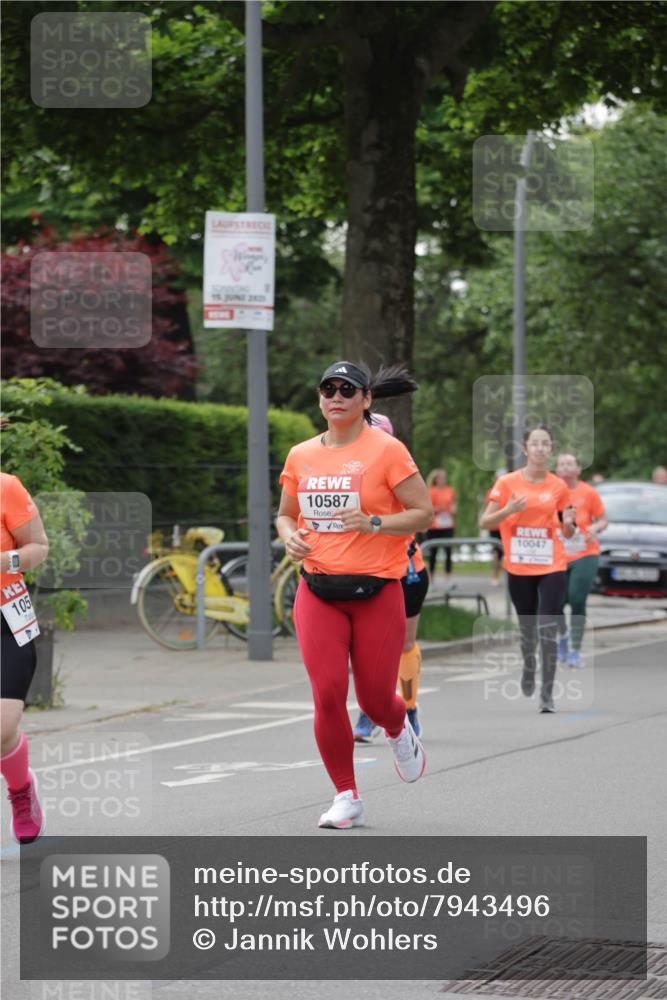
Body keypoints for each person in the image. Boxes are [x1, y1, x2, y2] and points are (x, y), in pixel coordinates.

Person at [276, 361, 432, 829]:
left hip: (376, 591)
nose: (336, 396)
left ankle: (398, 726)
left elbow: (422, 512)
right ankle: (346, 794)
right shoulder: (301, 454)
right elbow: (285, 513)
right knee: (327, 694)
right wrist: (288, 536)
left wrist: (376, 523)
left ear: (367, 400)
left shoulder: (387, 451)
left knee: (374, 698)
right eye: (328, 388)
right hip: (318, 588)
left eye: (348, 389)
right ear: (320, 398)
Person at [479, 425, 576, 714]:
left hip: (552, 564)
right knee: (528, 627)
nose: (540, 448)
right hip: (518, 565)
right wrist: (509, 510)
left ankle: (547, 693)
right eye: (535, 443)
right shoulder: (506, 482)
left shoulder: (558, 486)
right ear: (525, 449)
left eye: (546, 444)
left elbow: (568, 532)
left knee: (547, 626)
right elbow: (485, 523)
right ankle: (528, 663)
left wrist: (569, 524)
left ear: (551, 449)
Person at [353, 413, 430, 741]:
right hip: (363, 571)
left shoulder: (401, 471)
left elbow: (422, 516)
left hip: (405, 572)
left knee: (404, 645)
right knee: (367, 650)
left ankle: (409, 709)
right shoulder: (346, 473)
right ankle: (370, 712)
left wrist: (373, 521)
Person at [1, 471, 49, 843]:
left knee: (3, 726)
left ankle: (21, 791)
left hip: (5, 620)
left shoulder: (7, 486)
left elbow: (38, 547)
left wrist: (6, 561)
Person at [555, 453, 608, 668]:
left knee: (577, 599)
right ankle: (563, 638)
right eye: (561, 464)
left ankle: (575, 649)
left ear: (578, 469)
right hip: (558, 554)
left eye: (570, 464)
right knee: (555, 602)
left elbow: (603, 519)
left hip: (585, 552)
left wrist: (593, 529)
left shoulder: (588, 492)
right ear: (556, 470)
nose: (566, 467)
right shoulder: (551, 492)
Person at [425, 469, 456, 581]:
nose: (443, 480)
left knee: (448, 551)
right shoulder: (431, 491)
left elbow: (453, 505)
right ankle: (432, 577)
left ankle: (448, 577)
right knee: (433, 552)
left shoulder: (450, 490)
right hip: (434, 525)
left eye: (444, 478)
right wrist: (437, 509)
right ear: (436, 479)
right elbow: (427, 508)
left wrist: (452, 509)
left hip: (447, 524)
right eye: (441, 478)